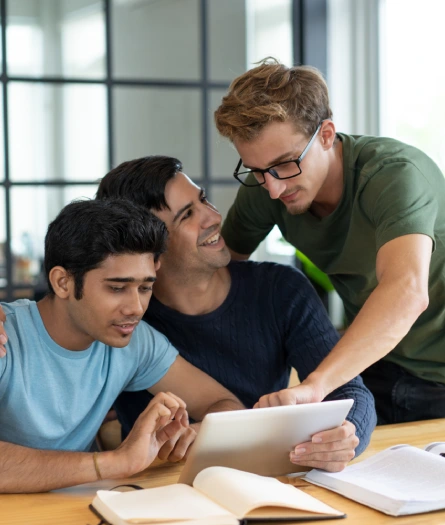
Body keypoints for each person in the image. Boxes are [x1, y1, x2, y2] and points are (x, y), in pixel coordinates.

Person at [96, 155, 376, 473]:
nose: (213, 216)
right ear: (148, 251)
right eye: (188, 215)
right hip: (159, 486)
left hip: (270, 475)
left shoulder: (281, 290)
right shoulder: (126, 322)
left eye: (203, 200)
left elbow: (351, 392)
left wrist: (347, 437)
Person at [214, 58, 445, 424]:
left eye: (286, 164)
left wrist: (317, 384)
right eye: (257, 171)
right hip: (372, 366)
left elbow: (407, 290)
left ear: (325, 134)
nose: (273, 188)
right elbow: (216, 273)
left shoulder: (393, 175)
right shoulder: (270, 187)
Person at [0, 198, 244, 493]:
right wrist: (115, 462)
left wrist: (195, 433)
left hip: (71, 508)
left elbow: (226, 406)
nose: (136, 307)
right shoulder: (6, 336)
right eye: (116, 288)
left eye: (145, 287)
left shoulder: (135, 341)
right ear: (63, 282)